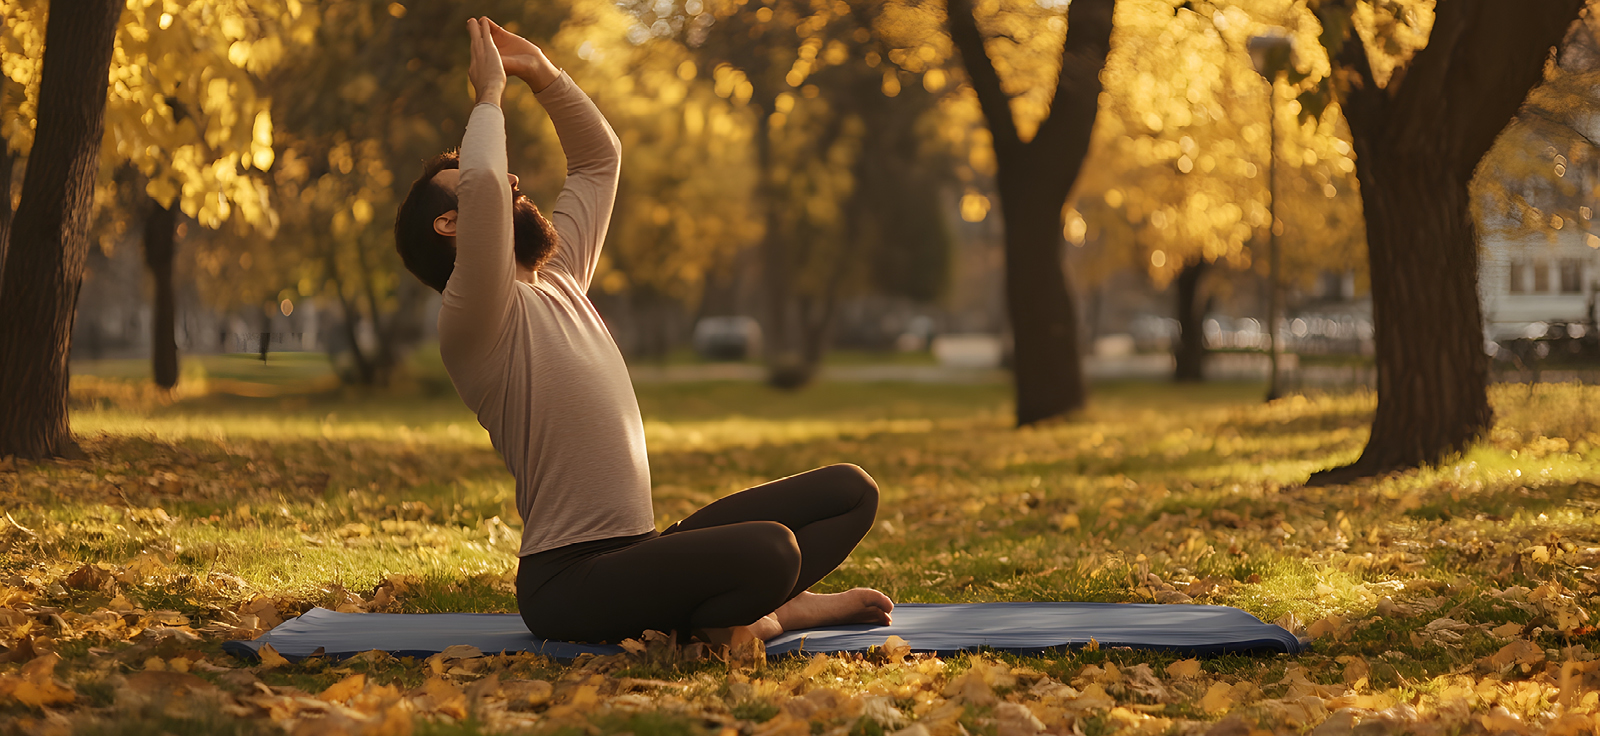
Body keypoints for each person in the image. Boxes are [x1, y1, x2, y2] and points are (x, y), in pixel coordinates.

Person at [392, 17, 894, 648]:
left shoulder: (561, 277)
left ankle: (744, 609)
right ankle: (771, 611)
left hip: (641, 554)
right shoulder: (476, 316)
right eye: (467, 182)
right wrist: (488, 96)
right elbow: (490, 182)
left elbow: (600, 160)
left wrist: (544, 76)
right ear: (450, 225)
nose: (512, 181)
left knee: (851, 492)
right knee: (771, 551)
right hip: (568, 582)